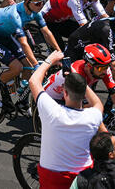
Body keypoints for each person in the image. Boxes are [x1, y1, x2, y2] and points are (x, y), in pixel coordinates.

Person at [31, 50, 103, 189]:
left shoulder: (52, 112)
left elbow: (34, 81)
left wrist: (50, 59)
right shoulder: (93, 116)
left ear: (64, 93)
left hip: (53, 179)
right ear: (84, 94)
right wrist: (79, 81)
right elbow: (97, 103)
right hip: (83, 178)